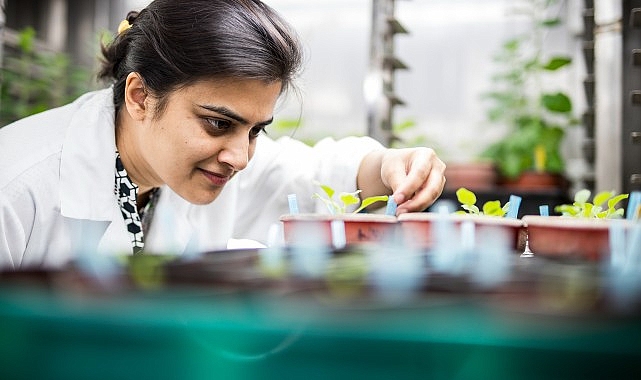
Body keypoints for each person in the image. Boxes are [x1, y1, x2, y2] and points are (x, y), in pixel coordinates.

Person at [0, 0, 446, 270]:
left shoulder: (194, 164)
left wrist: (391, 167)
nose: (240, 157)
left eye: (255, 131)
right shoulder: (16, 188)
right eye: (218, 123)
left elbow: (318, 175)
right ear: (139, 96)